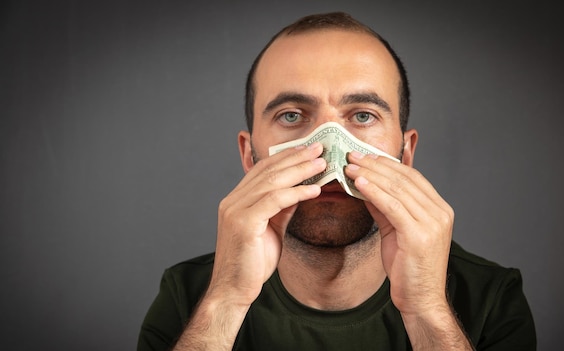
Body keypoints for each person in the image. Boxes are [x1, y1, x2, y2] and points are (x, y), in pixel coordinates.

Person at [138, 12, 536, 351]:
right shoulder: (189, 297)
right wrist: (224, 303)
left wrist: (426, 312)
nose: (330, 150)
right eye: (292, 116)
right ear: (249, 154)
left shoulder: (490, 299)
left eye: (362, 116)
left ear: (406, 153)